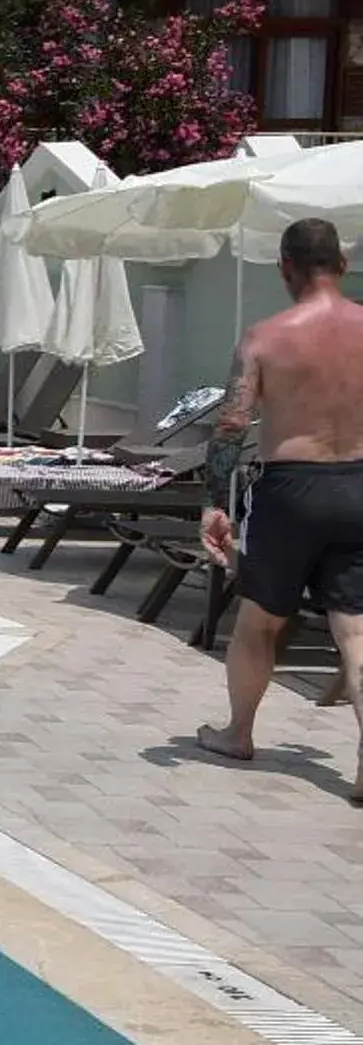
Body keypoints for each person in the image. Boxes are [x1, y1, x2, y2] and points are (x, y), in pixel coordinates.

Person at [197, 217, 363, 801]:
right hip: (362, 487)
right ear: (342, 264)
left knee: (260, 622)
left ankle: (237, 733)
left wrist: (216, 505)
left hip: (289, 488)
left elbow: (231, 425)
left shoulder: (265, 337)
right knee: (357, 627)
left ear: (285, 268)